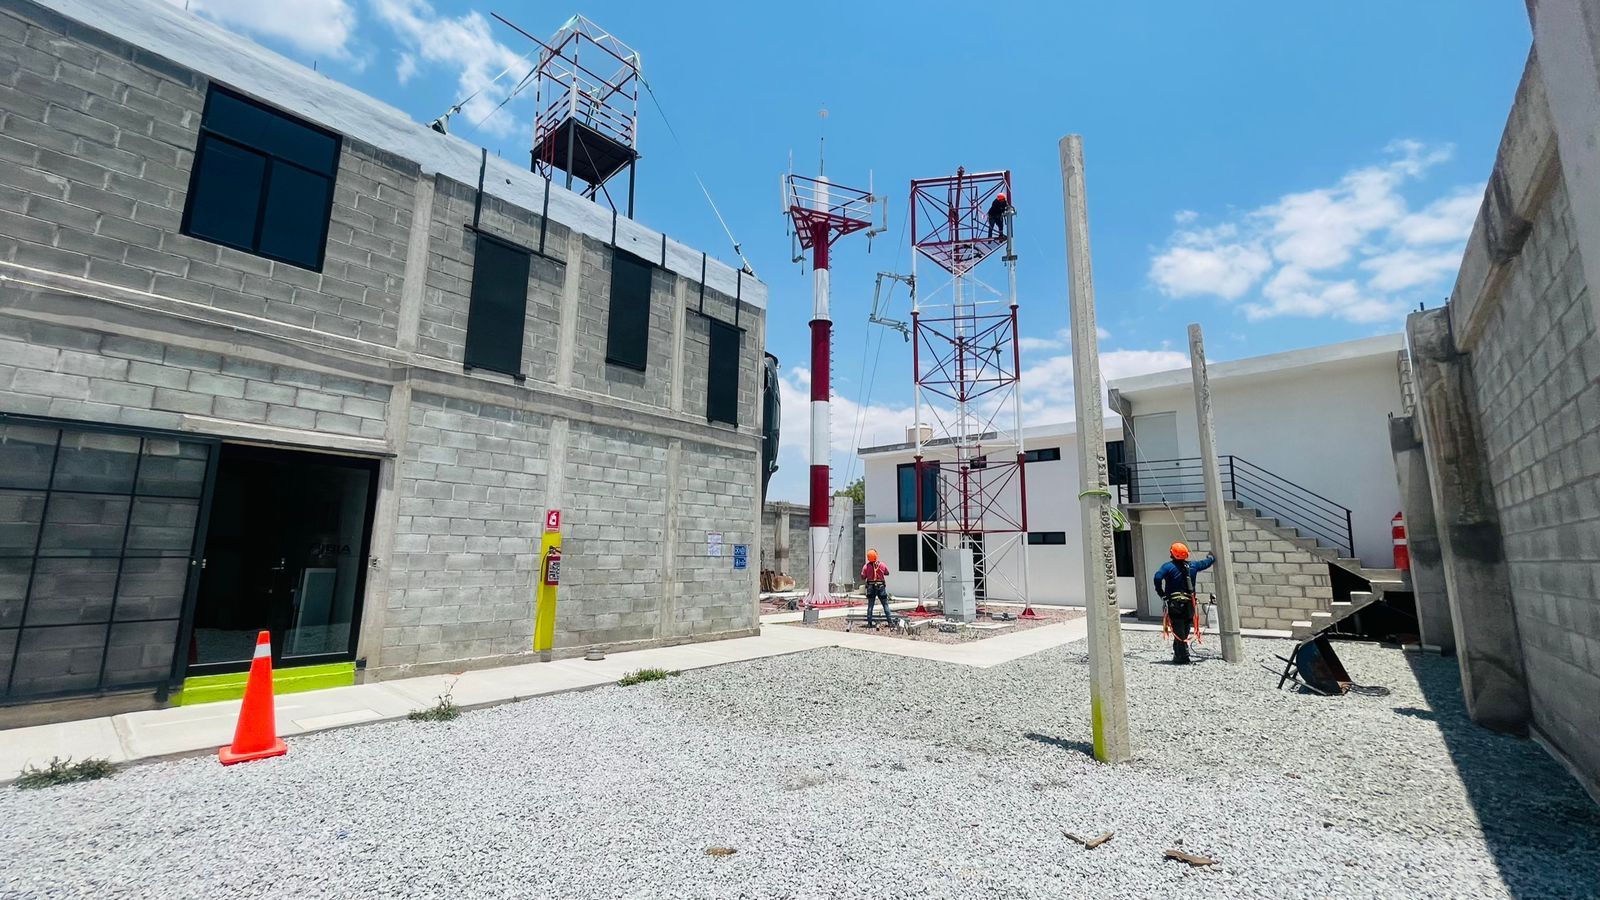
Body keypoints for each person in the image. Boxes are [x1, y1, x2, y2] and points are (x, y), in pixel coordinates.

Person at [1153, 542, 1215, 664]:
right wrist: (1211, 558)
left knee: (1178, 629)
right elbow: (1205, 563)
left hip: (1174, 604)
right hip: (1189, 604)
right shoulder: (1193, 566)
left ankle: (1182, 657)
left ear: (1172, 554)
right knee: (1185, 628)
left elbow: (1157, 577)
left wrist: (1161, 594)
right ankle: (1180, 653)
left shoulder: (1168, 567)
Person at [861, 549, 892, 627]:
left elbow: (863, 576)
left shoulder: (866, 566)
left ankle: (869, 623)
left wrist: (869, 574)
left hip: (871, 586)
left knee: (870, 605)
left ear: (868, 557)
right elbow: (887, 573)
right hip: (881, 586)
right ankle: (890, 622)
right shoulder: (882, 565)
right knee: (885, 605)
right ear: (876, 556)